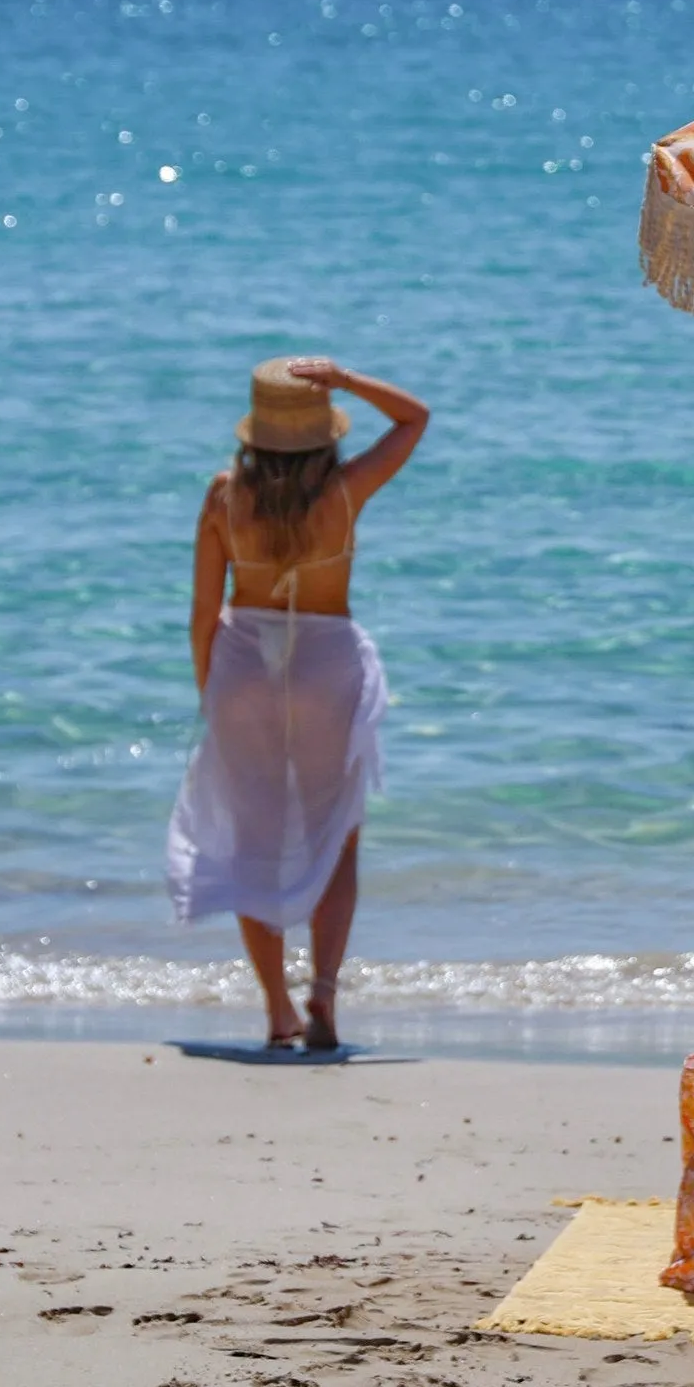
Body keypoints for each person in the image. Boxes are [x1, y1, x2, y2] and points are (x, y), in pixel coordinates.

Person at [167, 357, 428, 1052]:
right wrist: (347, 379)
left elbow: (201, 611)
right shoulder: (344, 491)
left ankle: (278, 1011)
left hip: (244, 665)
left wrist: (210, 686)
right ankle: (323, 994)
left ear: (255, 432)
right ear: (320, 432)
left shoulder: (223, 496)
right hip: (325, 665)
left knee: (252, 834)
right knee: (338, 832)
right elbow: (415, 418)